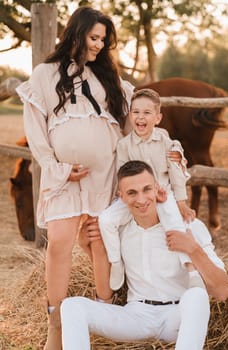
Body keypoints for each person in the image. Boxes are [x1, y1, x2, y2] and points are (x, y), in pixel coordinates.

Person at [16, 6, 136, 350]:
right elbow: (37, 133)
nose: (98, 45)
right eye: (94, 37)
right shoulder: (44, 74)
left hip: (103, 175)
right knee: (59, 244)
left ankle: (105, 320)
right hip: (64, 177)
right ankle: (56, 327)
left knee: (99, 242)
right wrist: (59, 169)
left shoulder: (108, 78)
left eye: (103, 40)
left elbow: (128, 123)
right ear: (76, 32)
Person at [61, 160, 228, 350]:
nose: (141, 200)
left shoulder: (188, 226)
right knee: (71, 306)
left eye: (147, 189)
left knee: (197, 295)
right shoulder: (120, 231)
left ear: (157, 189)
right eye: (132, 193)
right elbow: (106, 293)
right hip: (136, 315)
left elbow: (222, 292)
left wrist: (193, 249)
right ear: (121, 197)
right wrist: (87, 247)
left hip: (176, 316)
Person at [99, 88, 202, 291]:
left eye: (147, 113)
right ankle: (117, 263)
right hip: (135, 194)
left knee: (176, 221)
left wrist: (181, 202)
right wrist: (125, 196)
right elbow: (122, 174)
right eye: (136, 112)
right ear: (130, 115)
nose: (140, 117)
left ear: (158, 118)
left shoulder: (168, 143)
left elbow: (176, 173)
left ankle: (191, 269)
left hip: (162, 193)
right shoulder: (124, 145)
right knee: (106, 220)